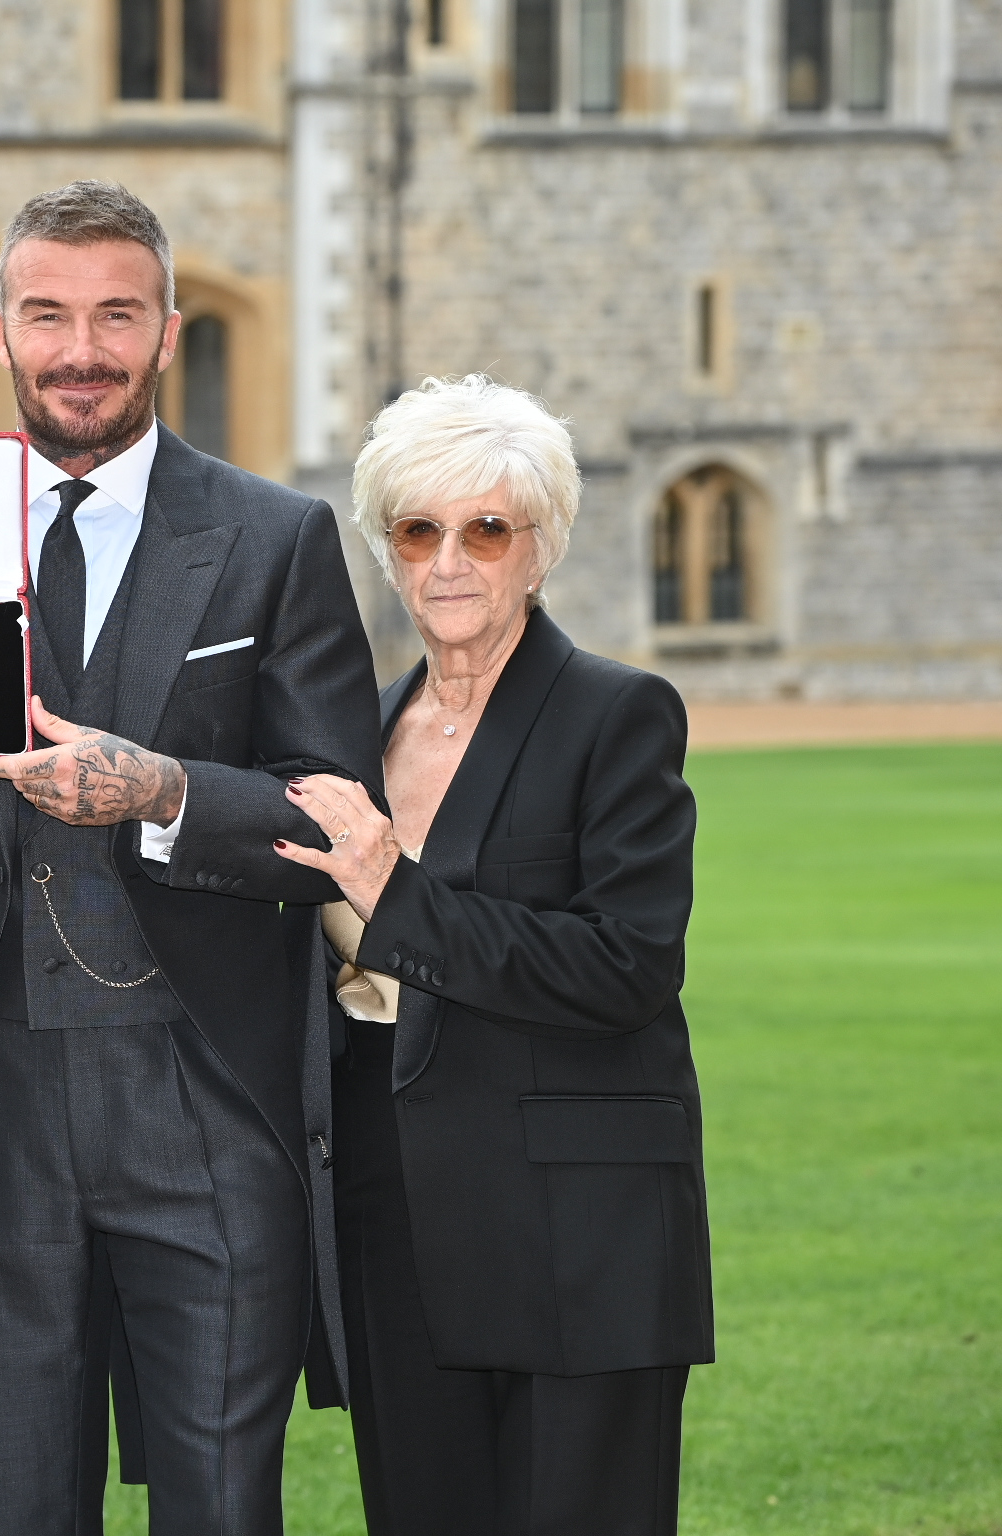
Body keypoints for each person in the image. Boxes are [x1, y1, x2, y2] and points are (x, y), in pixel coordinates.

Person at [0, 180, 383, 1535]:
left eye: (117, 316)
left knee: (224, 1511)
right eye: (52, 317)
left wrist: (167, 789)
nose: (83, 350)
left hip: (209, 1106)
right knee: (13, 1511)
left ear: (169, 332)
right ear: (0, 329)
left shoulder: (276, 536)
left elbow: (334, 831)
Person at [277, 375, 712, 1535]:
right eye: (418, 530)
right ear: (386, 550)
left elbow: (626, 965)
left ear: (540, 546)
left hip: (578, 1233)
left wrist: (389, 888)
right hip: (388, 1210)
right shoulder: (351, 732)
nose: (450, 562)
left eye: (486, 529)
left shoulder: (617, 714)